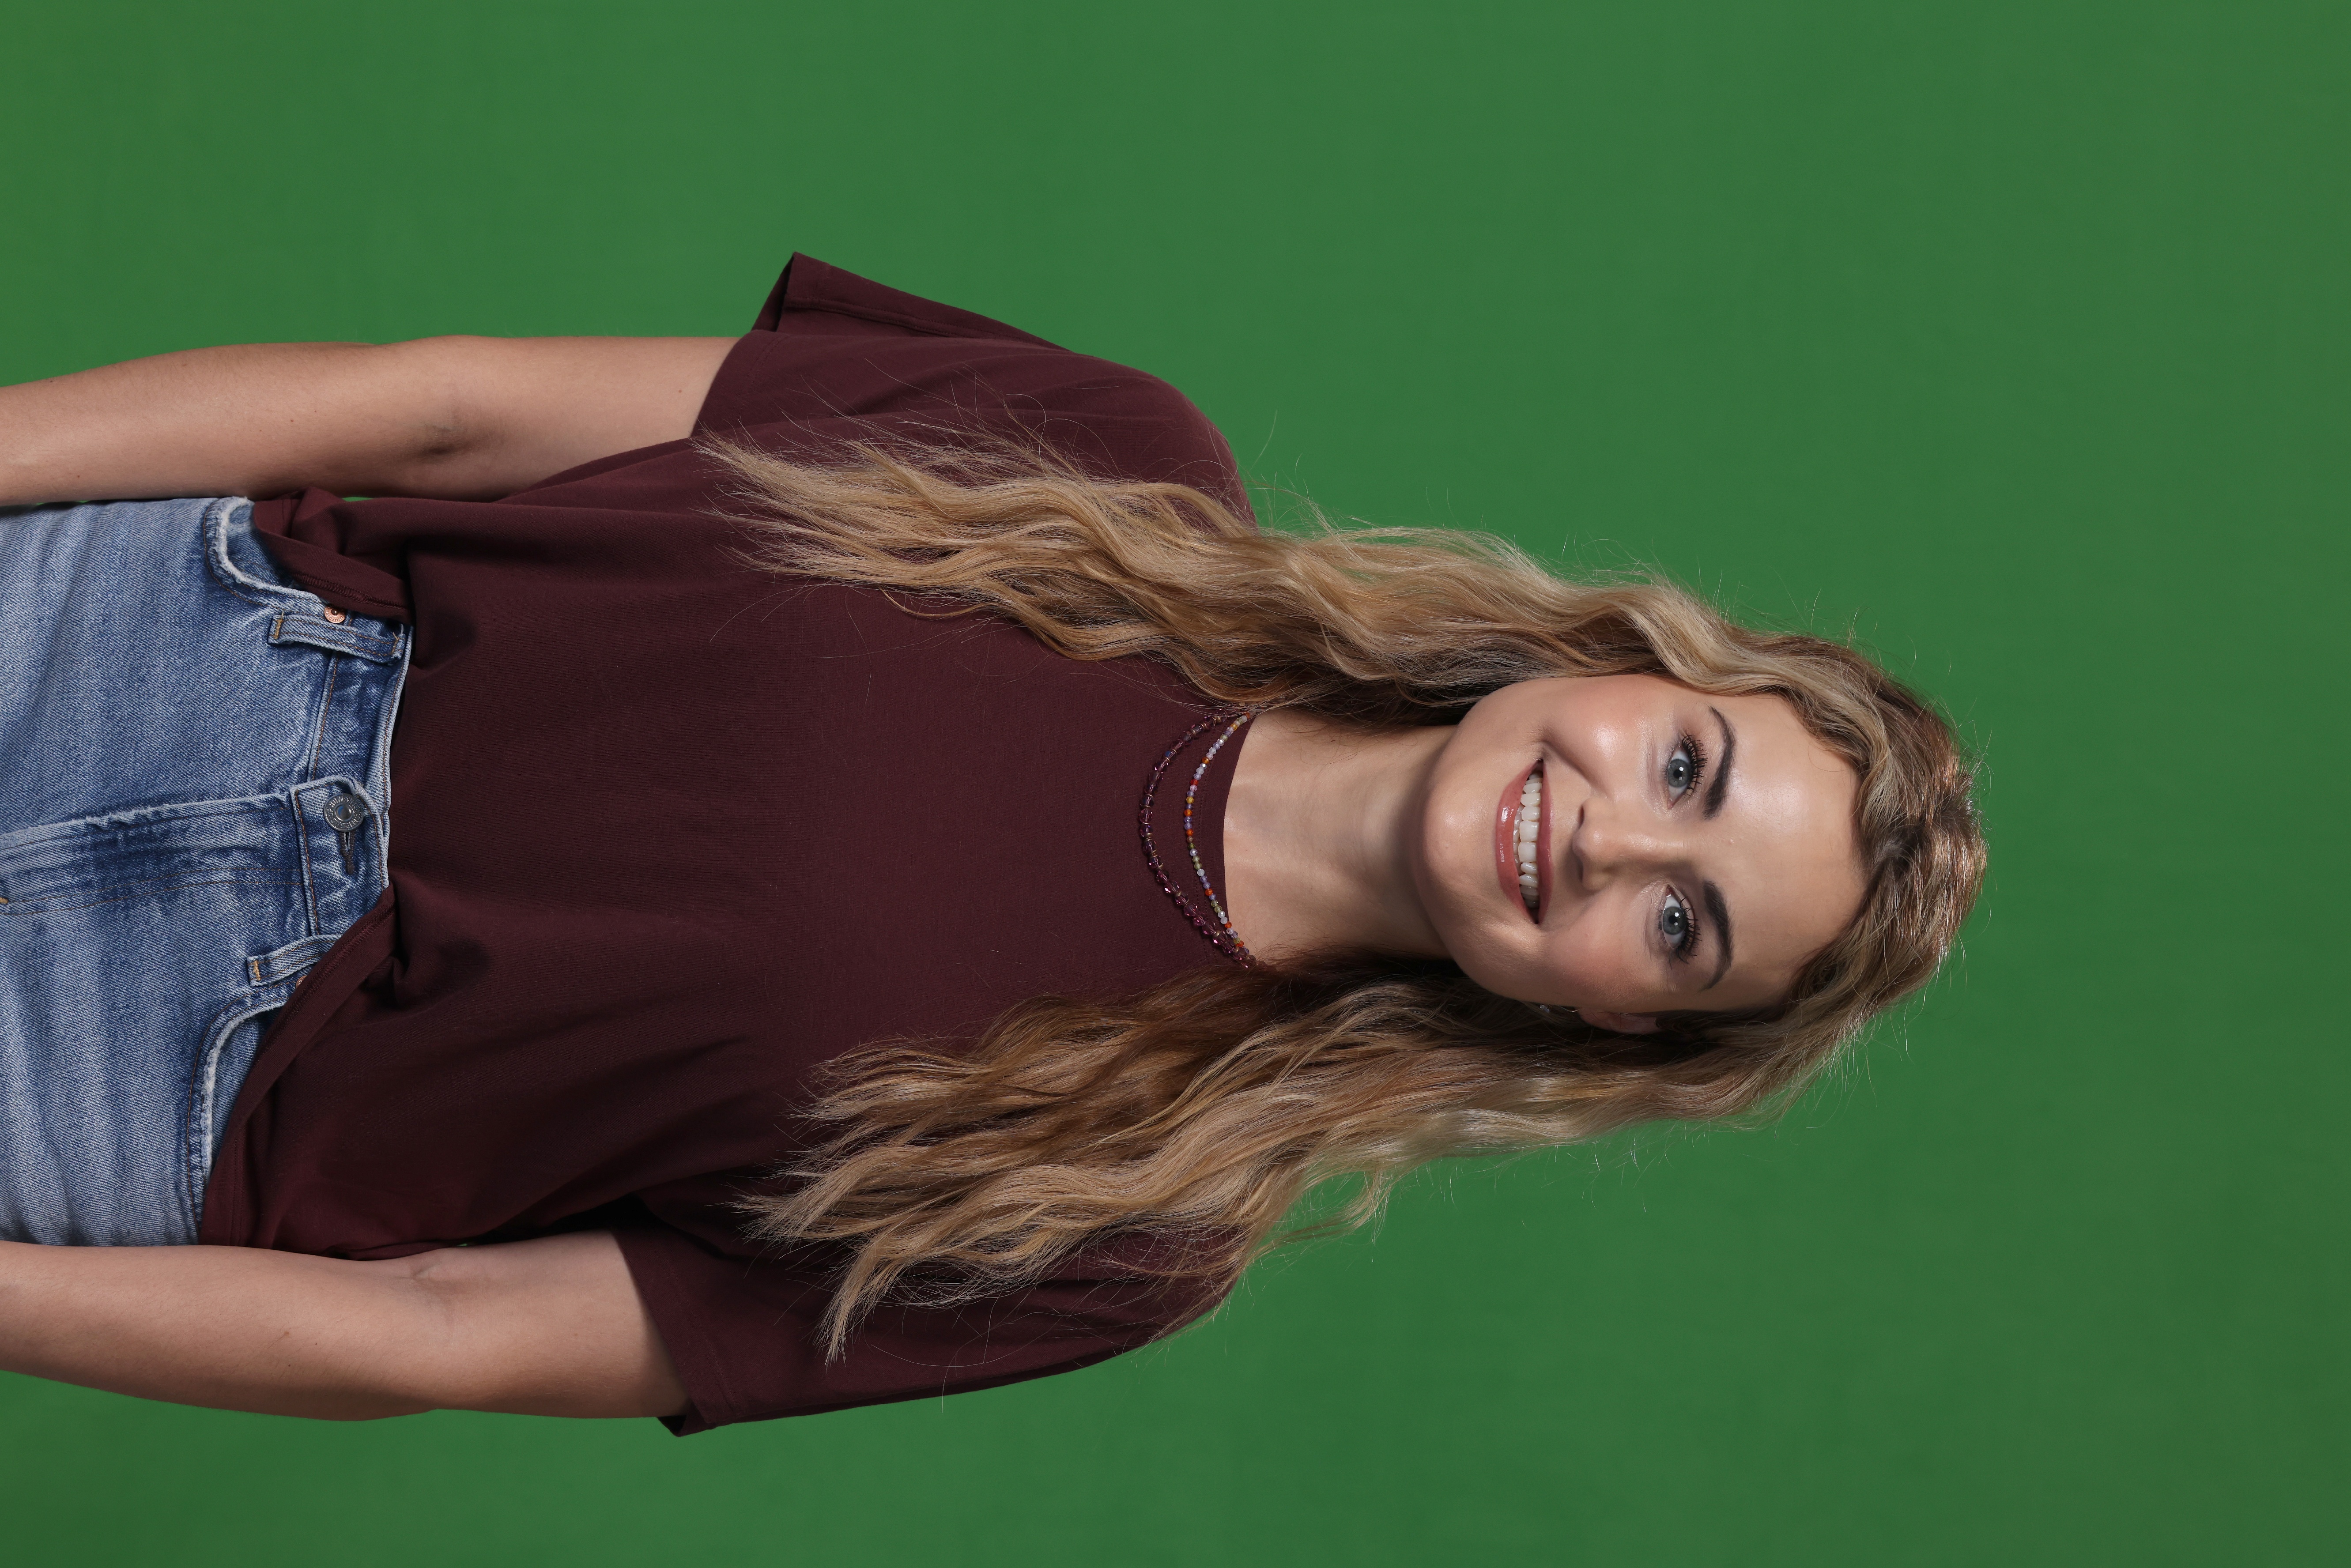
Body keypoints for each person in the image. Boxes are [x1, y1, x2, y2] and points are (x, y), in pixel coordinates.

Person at [0, 256, 1984, 1432]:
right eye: (1687, 770)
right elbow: (435, 412)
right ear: (1629, 666)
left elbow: (442, 1328)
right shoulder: (1115, 460)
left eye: (1684, 925)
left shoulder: (1133, 1217)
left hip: (121, 1085)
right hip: (133, 638)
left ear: (1622, 1025)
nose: (1616, 841)